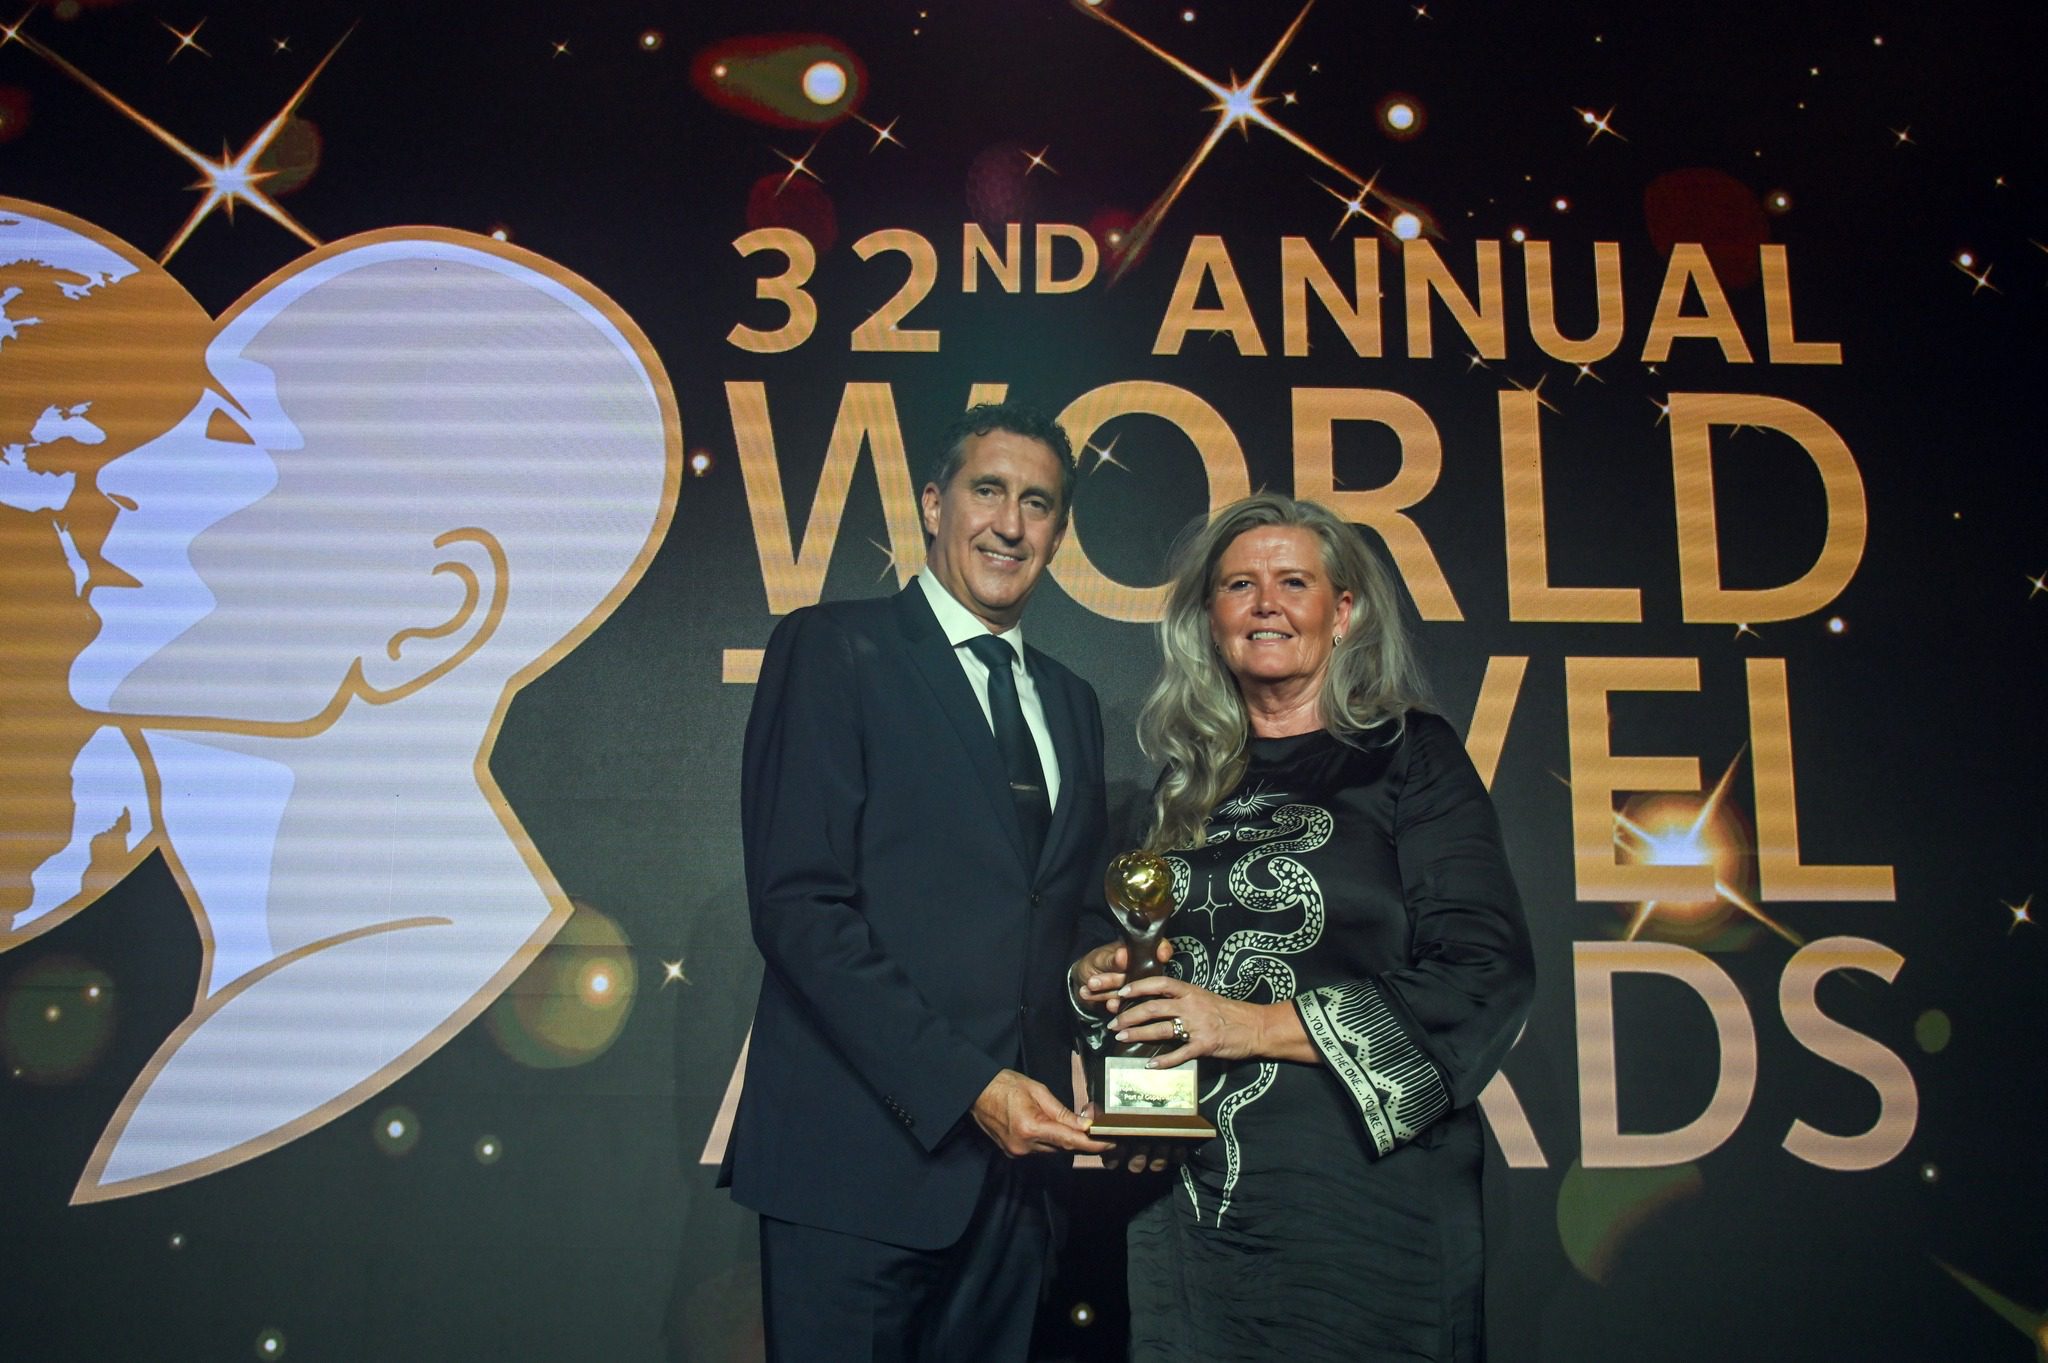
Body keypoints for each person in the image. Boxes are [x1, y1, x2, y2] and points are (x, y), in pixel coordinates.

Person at [1071, 492, 1534, 1362]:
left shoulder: (1410, 755)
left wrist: (1246, 1025)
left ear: (1343, 610)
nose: (1265, 604)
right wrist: (1102, 981)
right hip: (1196, 1212)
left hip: (1365, 1205)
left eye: (1293, 581)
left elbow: (1483, 970)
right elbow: (1135, 980)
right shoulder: (1177, 790)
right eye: (1238, 584)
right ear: (1210, 619)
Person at [730, 402, 1116, 1363]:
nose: (1010, 524)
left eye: (1038, 503)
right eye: (989, 490)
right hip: (855, 1171)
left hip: (1017, 1189)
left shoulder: (1071, 703)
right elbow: (800, 908)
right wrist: (968, 1084)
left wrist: (1090, 970)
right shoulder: (832, 647)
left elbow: (1055, 910)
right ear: (936, 504)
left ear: (1058, 532)